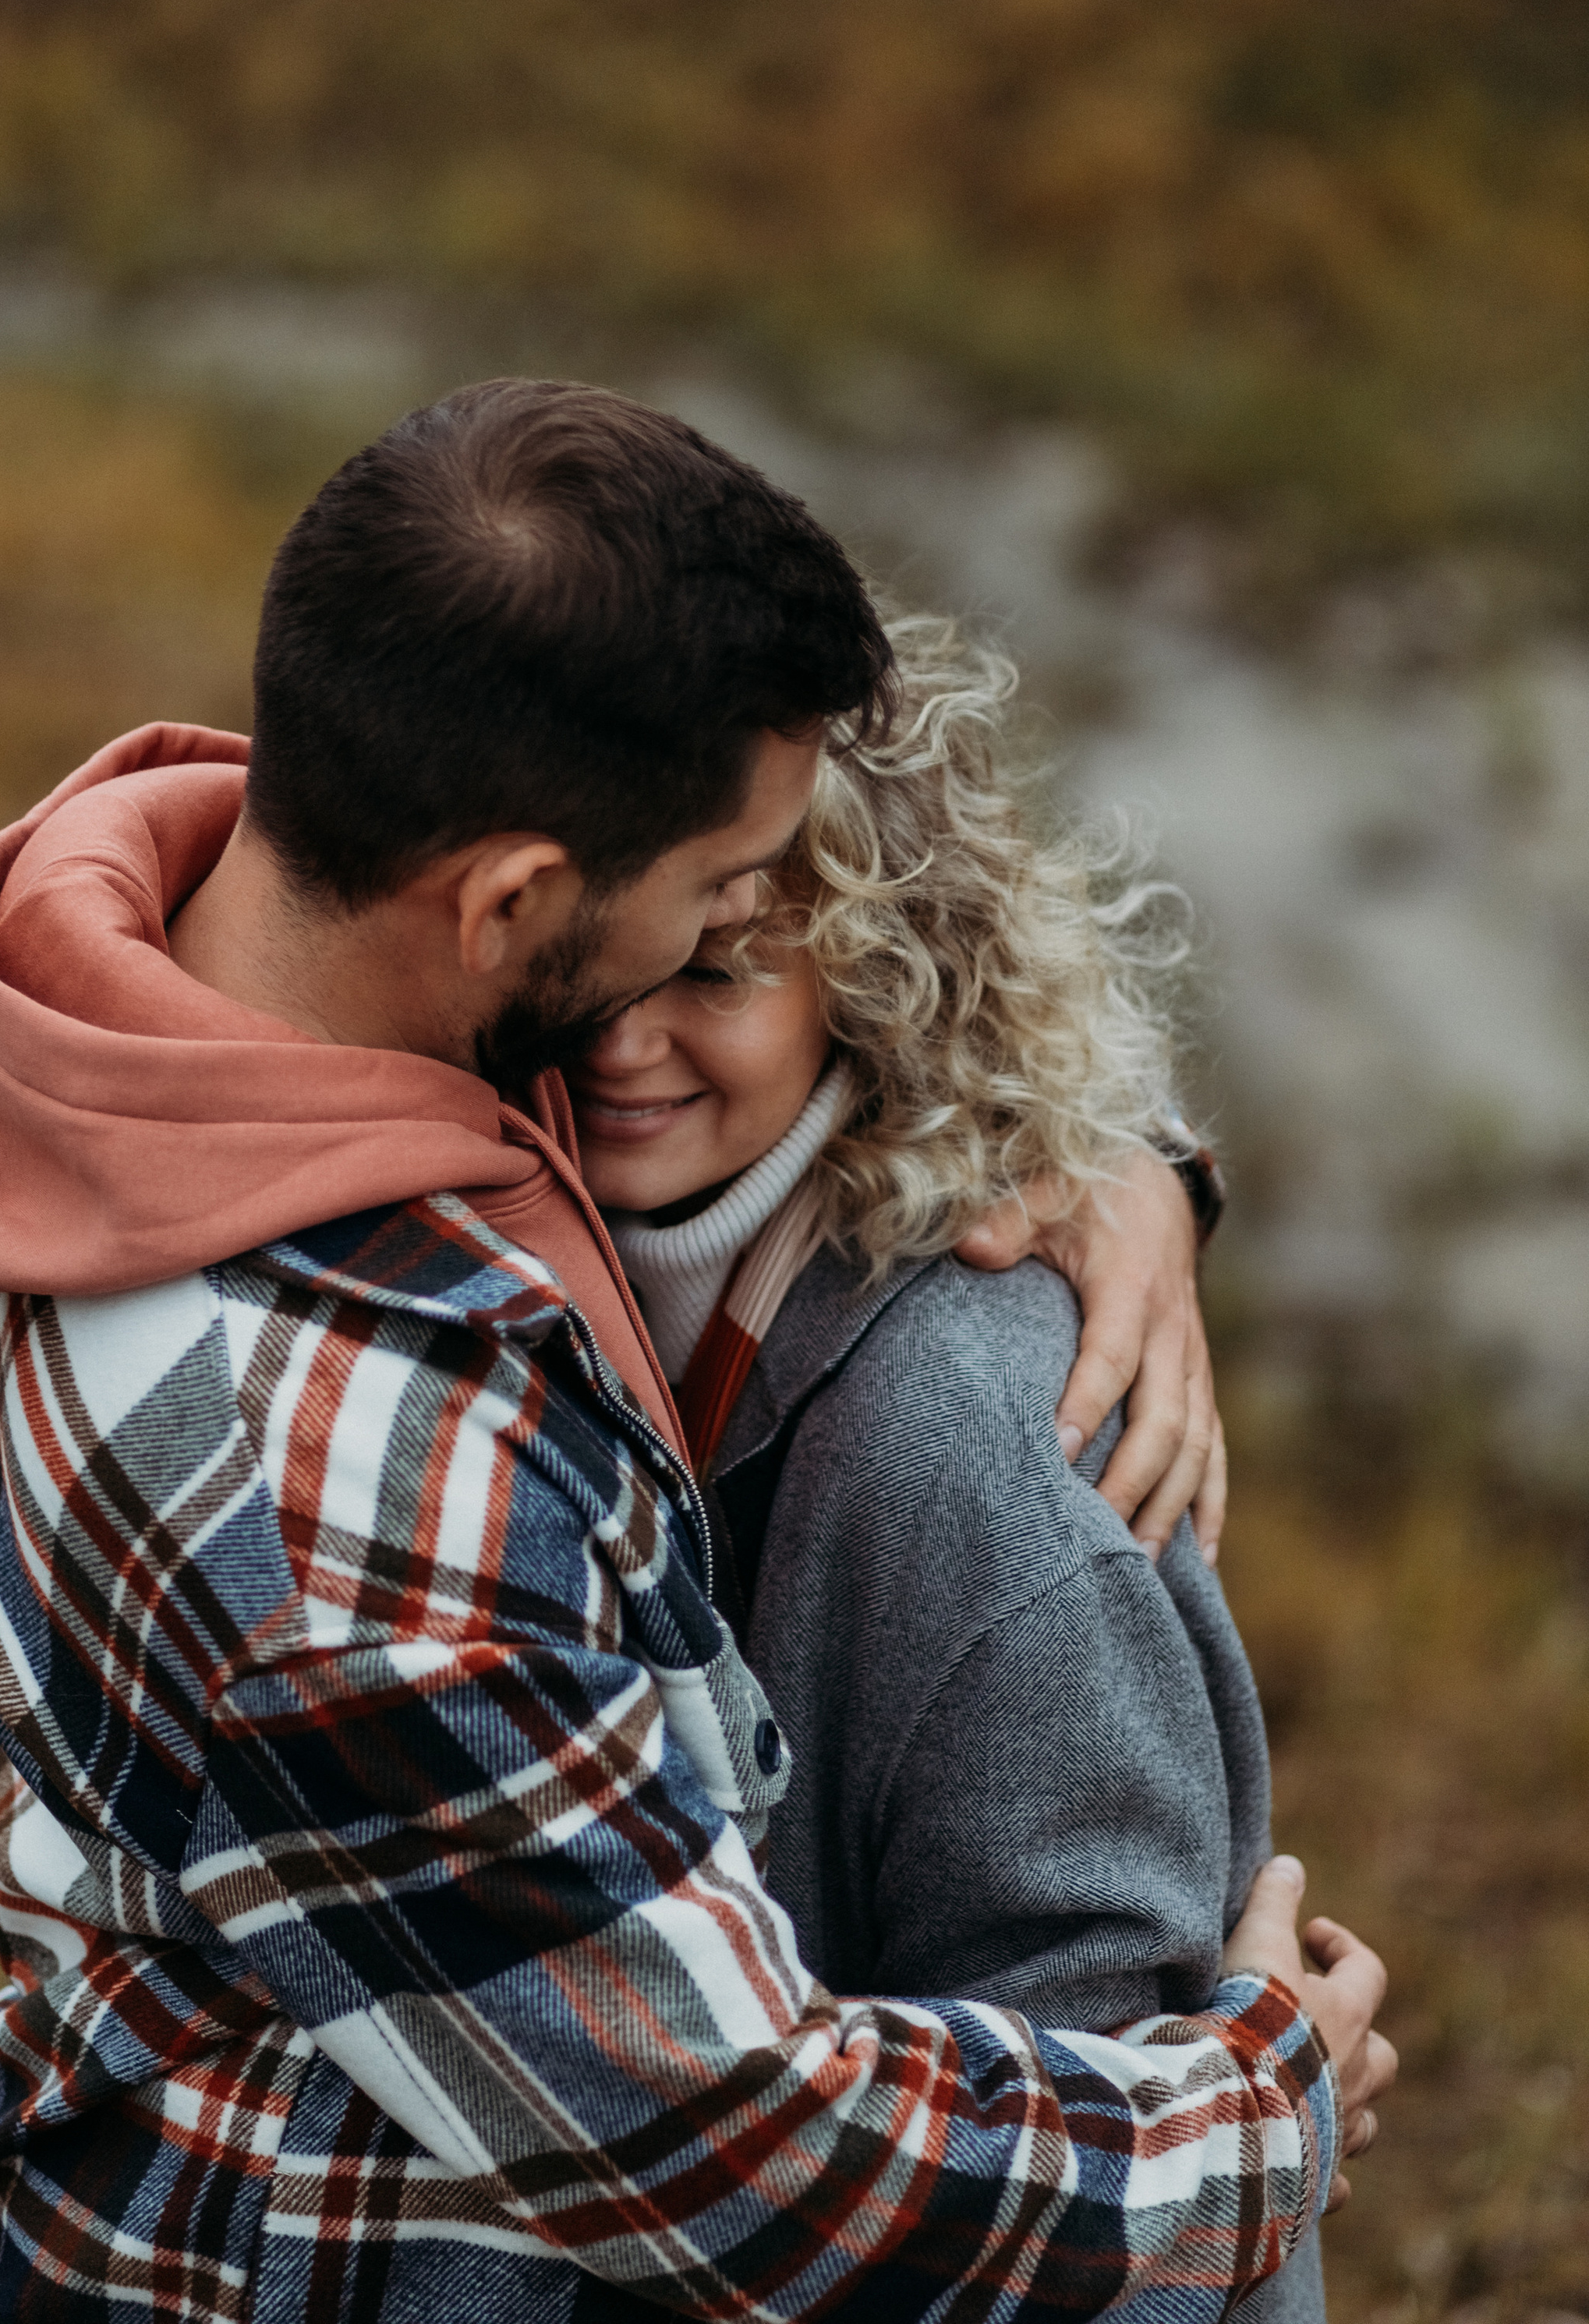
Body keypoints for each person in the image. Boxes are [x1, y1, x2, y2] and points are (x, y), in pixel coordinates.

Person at [0, 382, 1390, 2324]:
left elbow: (827, 916)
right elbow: (736, 2160)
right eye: (707, 898)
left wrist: (1093, 1147)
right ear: (515, 904)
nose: (725, 934)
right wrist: (1261, 2108)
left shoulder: (177, 1008)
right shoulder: (333, 1494)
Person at [568, 611, 1336, 2322]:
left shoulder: (972, 1462)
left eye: (717, 969)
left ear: (882, 967)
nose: (621, 1040)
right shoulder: (546, 1237)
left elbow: (1127, 2182)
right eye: (594, 954)